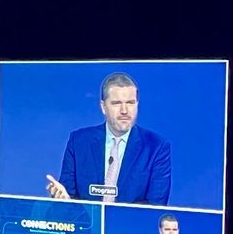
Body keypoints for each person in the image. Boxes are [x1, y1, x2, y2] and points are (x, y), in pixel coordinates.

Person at [45, 72, 172, 205]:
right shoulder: (78, 142)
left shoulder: (156, 147)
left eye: (130, 103)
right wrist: (64, 200)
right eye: (116, 103)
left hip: (131, 225)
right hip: (88, 224)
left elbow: (155, 206)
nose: (124, 110)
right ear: (103, 107)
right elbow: (69, 197)